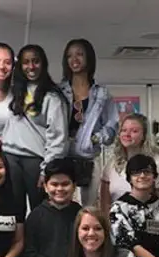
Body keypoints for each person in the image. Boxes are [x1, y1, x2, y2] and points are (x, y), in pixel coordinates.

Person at [2, 44, 69, 215]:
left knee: (40, 211)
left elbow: (58, 137)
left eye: (35, 61)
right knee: (13, 212)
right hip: (10, 157)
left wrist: (46, 170)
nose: (31, 67)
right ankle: (16, 243)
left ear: (43, 64)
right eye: (26, 62)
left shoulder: (52, 96)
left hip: (35, 160)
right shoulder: (14, 92)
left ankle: (36, 242)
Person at [59, 38, 119, 206]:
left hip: (89, 157)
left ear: (89, 58)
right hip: (62, 154)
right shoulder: (58, 91)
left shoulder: (102, 94)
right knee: (62, 205)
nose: (74, 59)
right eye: (69, 56)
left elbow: (112, 125)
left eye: (80, 54)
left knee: (89, 208)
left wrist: (95, 138)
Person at [100, 113, 159, 213]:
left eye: (134, 131)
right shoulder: (112, 164)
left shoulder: (158, 164)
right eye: (124, 130)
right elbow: (105, 206)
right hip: (117, 223)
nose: (127, 134)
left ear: (144, 135)